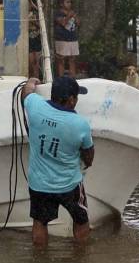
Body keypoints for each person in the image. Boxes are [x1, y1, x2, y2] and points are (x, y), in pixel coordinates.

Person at [21, 75, 95, 246]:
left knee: (40, 221)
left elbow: (26, 93)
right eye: (76, 97)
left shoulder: (35, 107)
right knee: (81, 219)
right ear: (70, 100)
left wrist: (32, 81)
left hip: (39, 184)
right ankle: (81, 258)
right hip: (69, 185)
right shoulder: (80, 124)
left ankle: (40, 261)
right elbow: (89, 157)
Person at [54, 0, 80, 77]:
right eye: (67, 2)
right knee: (61, 59)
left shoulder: (73, 12)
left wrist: (75, 17)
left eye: (70, 2)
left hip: (73, 39)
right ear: (62, 4)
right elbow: (63, 23)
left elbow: (79, 23)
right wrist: (69, 16)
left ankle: (73, 78)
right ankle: (61, 79)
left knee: (72, 59)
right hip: (62, 39)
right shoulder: (58, 13)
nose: (69, 4)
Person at [27, 10, 42, 79]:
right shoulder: (24, 13)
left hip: (37, 40)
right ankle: (30, 78)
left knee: (36, 62)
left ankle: (37, 79)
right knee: (30, 62)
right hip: (28, 40)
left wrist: (34, 22)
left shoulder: (38, 12)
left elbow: (41, 26)